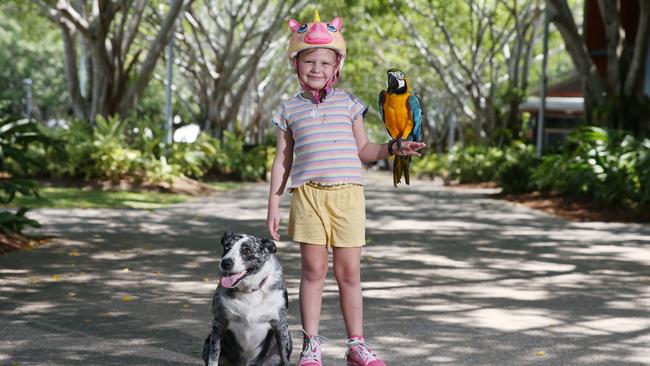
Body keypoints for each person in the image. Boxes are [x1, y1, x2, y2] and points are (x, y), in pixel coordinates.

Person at [266, 10, 425, 366]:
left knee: (349, 272)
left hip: (348, 196)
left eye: (325, 62)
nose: (317, 69)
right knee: (313, 271)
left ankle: (356, 345)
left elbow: (364, 151)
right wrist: (273, 205)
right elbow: (282, 160)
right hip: (308, 197)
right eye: (309, 61)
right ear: (295, 64)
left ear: (337, 66)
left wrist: (394, 148)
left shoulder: (349, 103)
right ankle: (311, 345)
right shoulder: (288, 109)